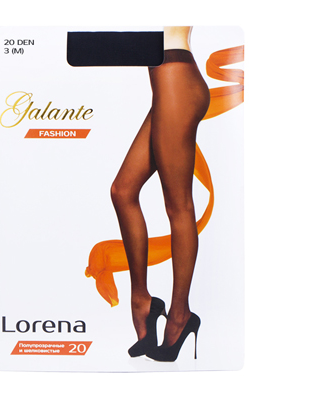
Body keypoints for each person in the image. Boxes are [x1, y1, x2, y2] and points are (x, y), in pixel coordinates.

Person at [110, 26, 210, 361]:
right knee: (123, 191)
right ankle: (142, 300)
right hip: (169, 80)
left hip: (176, 75)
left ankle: (180, 315)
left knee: (178, 205)